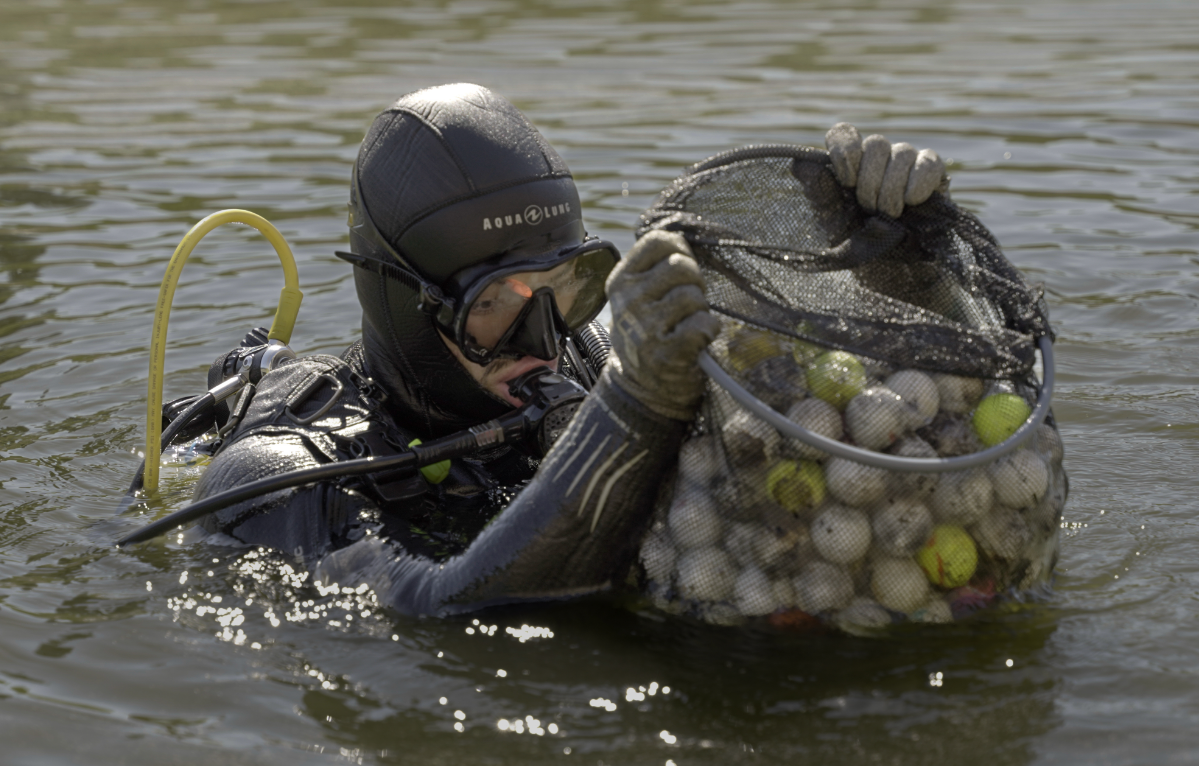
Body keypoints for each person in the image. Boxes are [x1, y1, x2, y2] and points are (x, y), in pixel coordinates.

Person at [193, 83, 946, 616]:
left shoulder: (603, 357)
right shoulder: (280, 481)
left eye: (563, 288)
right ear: (406, 306)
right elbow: (428, 605)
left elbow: (846, 428)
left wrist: (897, 264)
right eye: (491, 305)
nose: (544, 340)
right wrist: (632, 410)